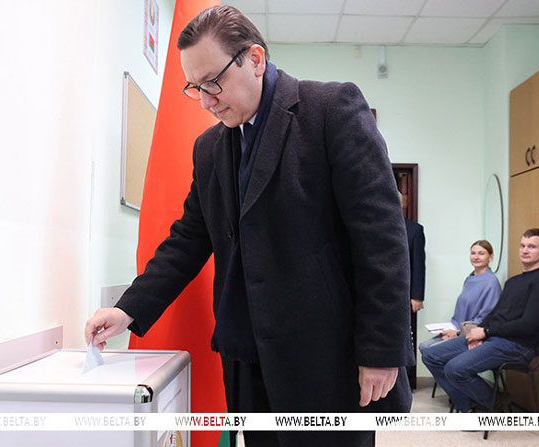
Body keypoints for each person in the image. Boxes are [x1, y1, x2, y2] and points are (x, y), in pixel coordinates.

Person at [84, 5, 413, 447]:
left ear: (255, 59)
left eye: (212, 82)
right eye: (194, 87)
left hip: (325, 361)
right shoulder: (209, 148)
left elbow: (382, 239)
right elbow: (188, 240)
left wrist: (381, 350)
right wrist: (128, 309)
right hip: (246, 363)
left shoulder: (329, 110)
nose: (205, 101)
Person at [422, 228, 539, 412]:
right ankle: (471, 405)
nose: (525, 250)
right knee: (431, 355)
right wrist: (479, 333)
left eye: (532, 247)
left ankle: (494, 405)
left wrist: (486, 332)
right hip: (494, 338)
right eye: (522, 246)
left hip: (517, 345)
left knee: (454, 369)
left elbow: (528, 325)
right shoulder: (513, 282)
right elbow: (494, 315)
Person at [418, 240, 501, 355]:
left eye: (481, 253)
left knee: (428, 349)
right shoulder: (470, 278)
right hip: (457, 329)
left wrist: (457, 333)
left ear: (490, 257)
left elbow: (486, 318)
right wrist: (452, 330)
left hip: (472, 334)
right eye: (473, 253)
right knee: (423, 346)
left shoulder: (491, 282)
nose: (476, 257)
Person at [404, 216, 426, 389]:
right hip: (378, 292)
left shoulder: (414, 230)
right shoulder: (374, 223)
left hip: (406, 296)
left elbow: (418, 264)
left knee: (406, 339)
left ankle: (407, 382)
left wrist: (417, 296)